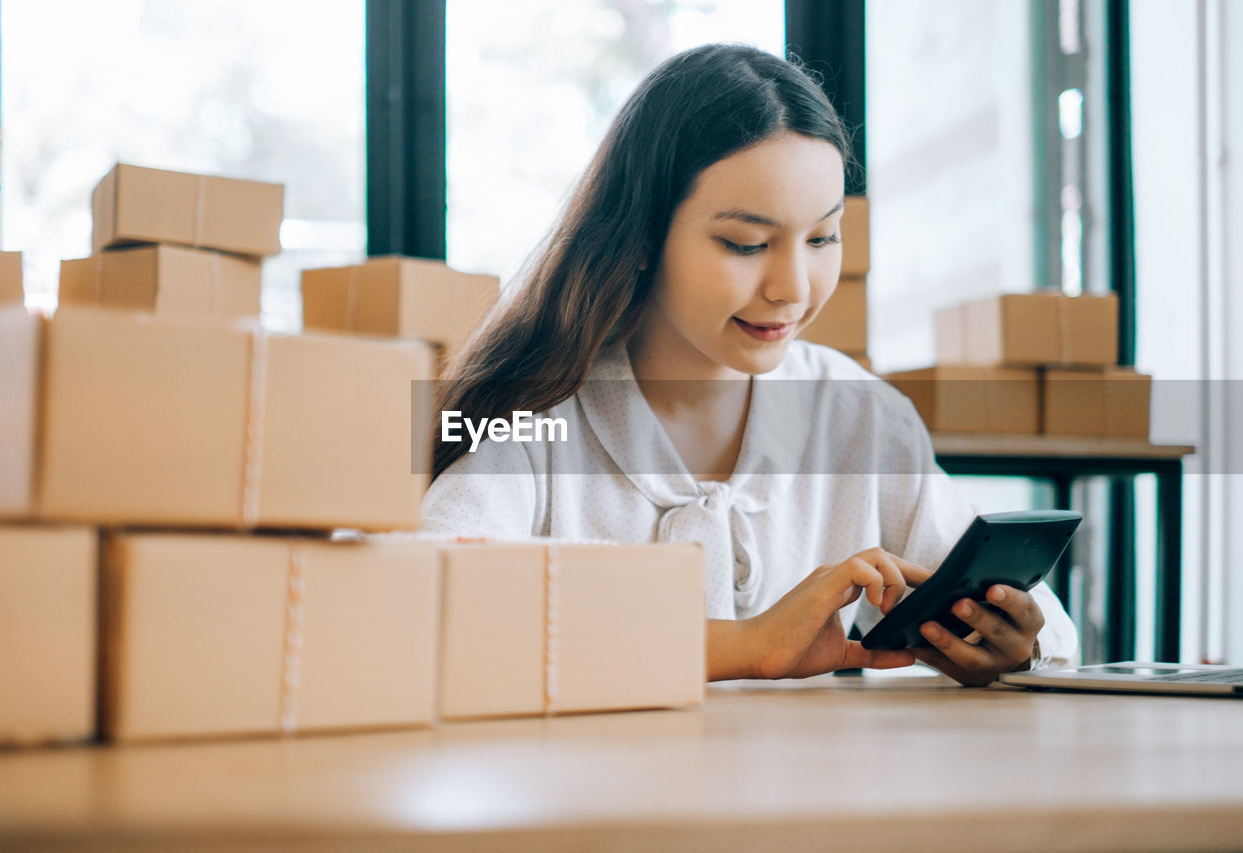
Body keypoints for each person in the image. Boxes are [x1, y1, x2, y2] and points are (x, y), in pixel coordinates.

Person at [422, 43, 1077, 686]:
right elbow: (425, 604)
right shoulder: (540, 417)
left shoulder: (859, 416)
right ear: (643, 234)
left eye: (823, 237)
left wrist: (1015, 639)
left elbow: (1042, 622)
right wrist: (745, 646)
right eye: (747, 243)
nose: (792, 286)